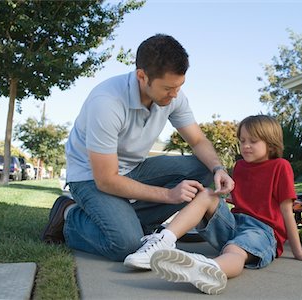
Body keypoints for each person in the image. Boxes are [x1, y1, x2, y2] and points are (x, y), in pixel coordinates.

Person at [41, 34, 234, 261]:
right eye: (168, 88)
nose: (175, 95)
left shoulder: (173, 96)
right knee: (127, 244)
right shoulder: (106, 103)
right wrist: (169, 195)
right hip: (90, 177)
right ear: (142, 76)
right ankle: (69, 215)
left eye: (179, 86)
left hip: (134, 168)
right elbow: (106, 180)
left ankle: (127, 221)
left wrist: (218, 169)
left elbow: (198, 141)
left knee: (202, 167)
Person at [123, 115, 302, 295]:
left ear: (271, 144)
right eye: (242, 141)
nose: (245, 145)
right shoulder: (239, 166)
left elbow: (286, 211)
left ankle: (211, 269)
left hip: (263, 232)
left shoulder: (280, 166)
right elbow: (232, 201)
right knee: (207, 194)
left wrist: (298, 251)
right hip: (234, 224)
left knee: (235, 250)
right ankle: (164, 240)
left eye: (253, 141)